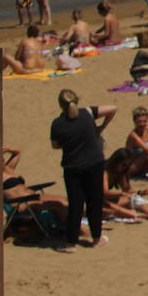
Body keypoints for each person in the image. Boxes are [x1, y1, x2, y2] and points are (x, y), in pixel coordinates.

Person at [49, 89, 115, 252]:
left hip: (73, 166)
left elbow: (55, 145)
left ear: (60, 105)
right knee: (94, 202)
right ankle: (96, 238)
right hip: (94, 163)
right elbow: (112, 109)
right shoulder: (87, 113)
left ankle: (71, 243)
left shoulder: (57, 123)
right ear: (77, 100)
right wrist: (100, 128)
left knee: (75, 205)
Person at [2, 144, 69, 228]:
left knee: (65, 201)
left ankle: (74, 223)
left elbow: (18, 152)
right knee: (59, 204)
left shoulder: (9, 169)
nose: (2, 160)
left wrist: (8, 149)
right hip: (21, 204)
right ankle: (69, 228)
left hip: (32, 197)